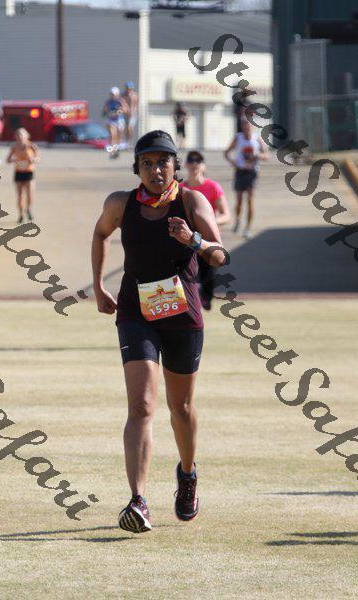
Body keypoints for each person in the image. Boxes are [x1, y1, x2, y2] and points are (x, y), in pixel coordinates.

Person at [91, 130, 225, 533]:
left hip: (183, 314)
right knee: (141, 406)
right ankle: (138, 500)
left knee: (180, 407)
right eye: (146, 163)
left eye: (162, 162)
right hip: (137, 312)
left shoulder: (192, 201)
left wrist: (193, 239)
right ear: (137, 168)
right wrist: (98, 285)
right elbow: (100, 233)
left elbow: (220, 254)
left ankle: (187, 473)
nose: (155, 170)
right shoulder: (120, 203)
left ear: (174, 165)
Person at [180, 150, 230, 310]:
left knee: (208, 273)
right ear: (186, 165)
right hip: (185, 238)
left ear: (204, 166)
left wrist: (209, 223)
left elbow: (226, 214)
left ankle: (206, 299)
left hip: (206, 238)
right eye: (191, 160)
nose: (194, 163)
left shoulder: (213, 187)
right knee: (185, 272)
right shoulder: (181, 188)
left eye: (198, 160)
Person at [224, 118, 268, 239]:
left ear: (252, 127)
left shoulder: (257, 139)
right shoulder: (238, 138)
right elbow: (226, 152)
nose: (247, 127)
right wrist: (233, 162)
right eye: (244, 125)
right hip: (240, 171)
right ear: (242, 127)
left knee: (250, 200)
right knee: (239, 201)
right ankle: (238, 220)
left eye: (249, 125)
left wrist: (258, 155)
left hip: (252, 172)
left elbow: (267, 155)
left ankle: (248, 228)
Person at [6, 128, 39, 223]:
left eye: (22, 135)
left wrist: (33, 160)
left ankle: (28, 209)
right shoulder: (14, 147)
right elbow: (7, 160)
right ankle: (21, 214)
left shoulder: (32, 146)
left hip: (29, 172)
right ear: (15, 137)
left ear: (26, 136)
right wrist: (13, 160)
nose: (20, 137)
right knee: (20, 196)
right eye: (18, 135)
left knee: (29, 194)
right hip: (19, 172)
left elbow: (38, 158)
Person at [102, 87, 126, 158]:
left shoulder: (120, 101)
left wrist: (120, 110)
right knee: (113, 135)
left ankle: (116, 151)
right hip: (111, 120)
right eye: (111, 94)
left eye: (114, 94)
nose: (112, 96)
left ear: (117, 94)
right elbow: (104, 112)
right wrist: (107, 112)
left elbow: (126, 110)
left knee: (118, 136)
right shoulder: (108, 102)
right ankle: (111, 152)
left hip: (119, 120)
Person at [121, 81, 138, 146]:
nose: (128, 90)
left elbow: (132, 106)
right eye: (127, 88)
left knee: (129, 128)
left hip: (132, 114)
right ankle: (125, 141)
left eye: (130, 89)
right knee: (124, 128)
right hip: (125, 113)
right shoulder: (123, 95)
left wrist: (130, 113)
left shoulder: (134, 95)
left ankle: (129, 141)